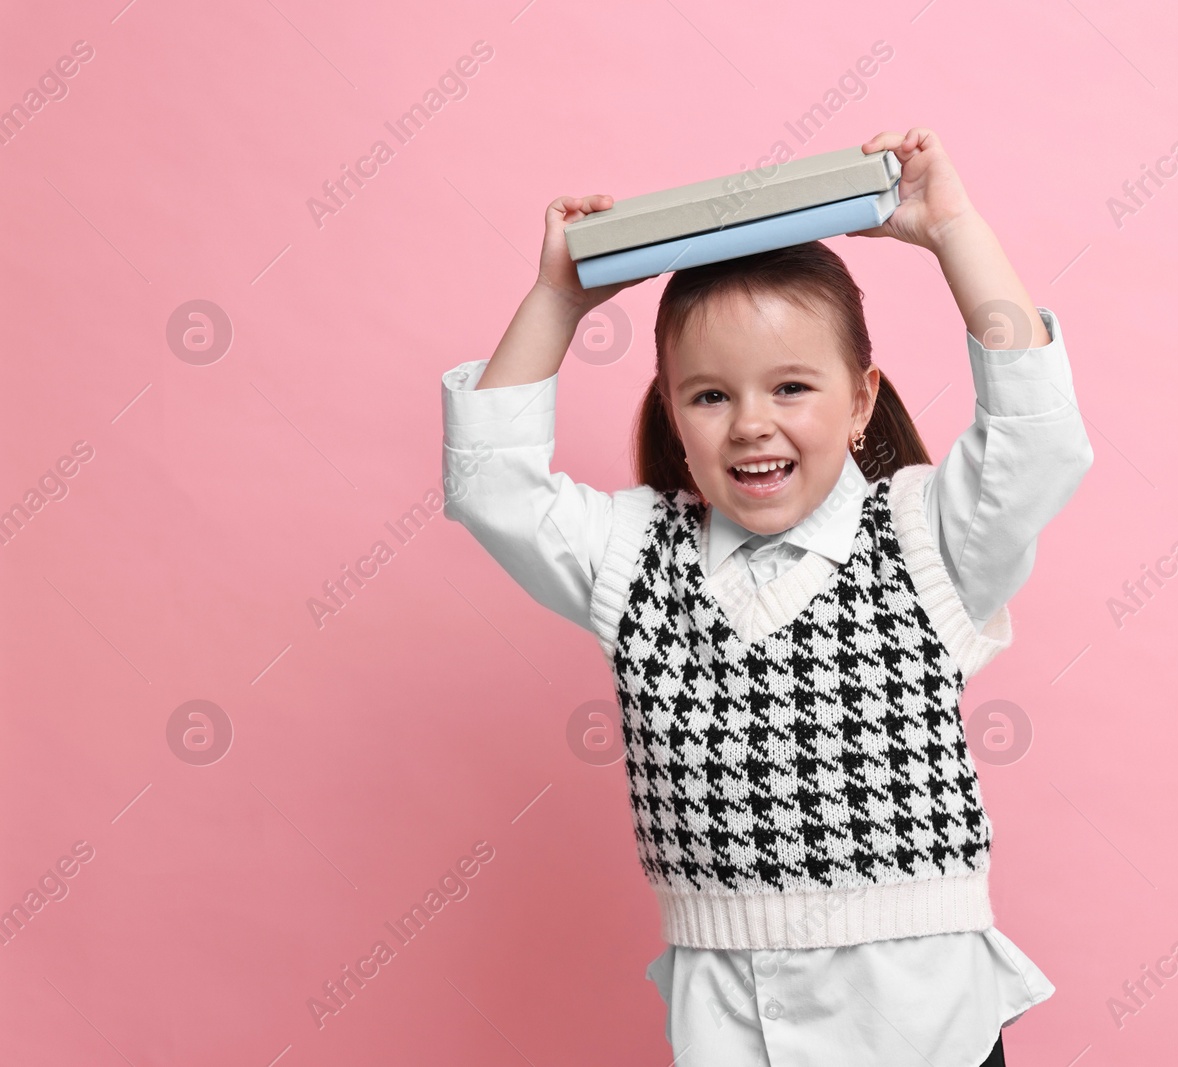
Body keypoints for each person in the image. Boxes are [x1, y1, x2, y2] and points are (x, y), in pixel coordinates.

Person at [439, 127, 1094, 1066]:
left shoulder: (926, 541)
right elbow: (488, 481)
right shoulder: (635, 557)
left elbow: (1037, 440)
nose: (752, 424)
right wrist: (557, 300)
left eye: (792, 386)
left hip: (928, 1026)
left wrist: (954, 230)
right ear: (671, 405)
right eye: (709, 396)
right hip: (732, 1029)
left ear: (862, 399)